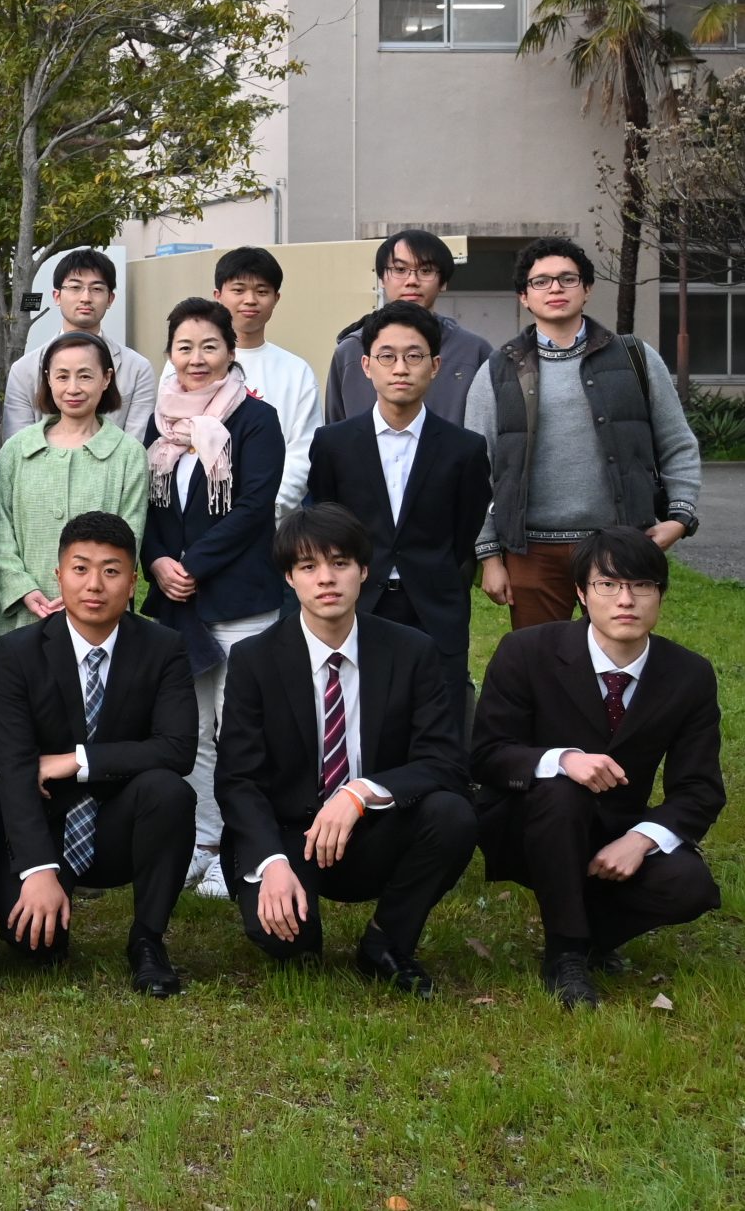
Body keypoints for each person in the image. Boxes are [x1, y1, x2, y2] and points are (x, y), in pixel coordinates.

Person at [216, 505, 477, 997]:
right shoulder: (254, 659)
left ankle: (387, 942)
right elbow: (237, 779)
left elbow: (444, 761)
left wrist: (360, 792)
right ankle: (293, 906)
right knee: (290, 945)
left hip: (374, 827)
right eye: (308, 567)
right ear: (289, 579)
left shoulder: (411, 650)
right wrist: (271, 863)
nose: (326, 579)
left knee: (453, 814)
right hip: (287, 833)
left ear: (364, 570)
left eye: (339, 562)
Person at [472, 528, 724, 1009]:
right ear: (581, 594)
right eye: (608, 585)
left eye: (641, 586)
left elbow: (699, 788)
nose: (625, 600)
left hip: (615, 831)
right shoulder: (526, 652)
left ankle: (588, 934)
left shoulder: (688, 675)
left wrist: (642, 839)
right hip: (528, 824)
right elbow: (487, 754)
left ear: (660, 595)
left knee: (691, 886)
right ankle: (565, 953)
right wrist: (562, 760)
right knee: (563, 789)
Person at [0, 513, 195, 998]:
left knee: (170, 791)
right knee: (35, 949)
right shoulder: (17, 653)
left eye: (111, 570)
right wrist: (36, 869)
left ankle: (147, 939)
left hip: (123, 819)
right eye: (80, 569)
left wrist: (74, 761)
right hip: (45, 820)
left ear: (134, 581)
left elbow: (177, 749)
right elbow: (13, 768)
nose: (94, 585)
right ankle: (43, 888)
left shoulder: (163, 648)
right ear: (58, 576)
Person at [465, 238, 703, 632]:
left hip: (618, 542)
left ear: (587, 289)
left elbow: (678, 443)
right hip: (531, 550)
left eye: (567, 278)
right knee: (540, 662)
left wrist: (680, 517)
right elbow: (477, 469)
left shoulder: (635, 358)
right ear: (524, 296)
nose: (555, 289)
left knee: (619, 657)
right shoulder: (499, 369)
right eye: (540, 282)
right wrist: (489, 554)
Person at [142, 296, 284, 902]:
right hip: (177, 601)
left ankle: (245, 846)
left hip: (240, 597)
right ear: (169, 353)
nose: (196, 359)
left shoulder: (255, 418)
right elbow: (145, 504)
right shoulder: (158, 420)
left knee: (243, 727)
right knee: (192, 728)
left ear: (230, 350)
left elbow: (255, 508)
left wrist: (193, 565)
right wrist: (157, 562)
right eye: (184, 347)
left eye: (209, 346)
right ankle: (204, 840)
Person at [306, 303, 492, 717]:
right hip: (358, 599)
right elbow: (327, 519)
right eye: (387, 357)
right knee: (361, 712)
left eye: (414, 356)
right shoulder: (333, 444)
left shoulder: (464, 449)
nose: (401, 368)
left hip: (434, 601)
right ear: (367, 366)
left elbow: (465, 531)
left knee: (436, 714)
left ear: (436, 365)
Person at [0, 333, 149, 641]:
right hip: (23, 617)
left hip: (99, 616)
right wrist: (21, 587)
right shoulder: (17, 450)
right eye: (62, 376)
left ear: (106, 379)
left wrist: (84, 590)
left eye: (85, 376)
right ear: (48, 379)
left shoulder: (128, 454)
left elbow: (131, 535)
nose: (72, 388)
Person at [325, 229, 494, 425]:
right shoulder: (350, 351)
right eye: (399, 270)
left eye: (425, 271)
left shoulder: (473, 351)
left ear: (444, 281)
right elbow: (334, 430)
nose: (412, 281)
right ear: (381, 278)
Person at [0, 248, 157, 448]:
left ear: (110, 299)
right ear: (57, 296)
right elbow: (17, 447)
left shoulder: (138, 369)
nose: (86, 297)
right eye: (75, 287)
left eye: (97, 289)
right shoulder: (24, 370)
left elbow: (136, 447)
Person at [212, 246, 319, 519]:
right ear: (218, 295)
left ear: (276, 298)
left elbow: (302, 453)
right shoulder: (188, 364)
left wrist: (265, 508)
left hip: (273, 526)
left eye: (262, 291)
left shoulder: (297, 371)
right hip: (203, 523)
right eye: (238, 290)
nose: (250, 300)